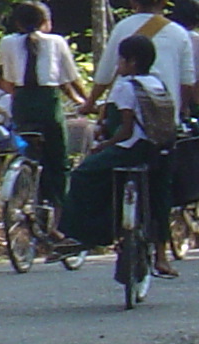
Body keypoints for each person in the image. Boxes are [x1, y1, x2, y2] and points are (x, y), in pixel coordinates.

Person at [59, 31, 177, 256]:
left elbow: (126, 131)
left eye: (121, 60)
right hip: (159, 150)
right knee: (160, 196)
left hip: (132, 150)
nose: (118, 65)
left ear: (131, 62)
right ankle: (162, 256)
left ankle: (84, 234)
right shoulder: (157, 83)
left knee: (83, 174)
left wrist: (103, 146)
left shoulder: (125, 86)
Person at [0, 0, 82, 208]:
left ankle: (24, 193)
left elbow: (8, 77)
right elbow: (71, 78)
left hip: (22, 103)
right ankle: (59, 212)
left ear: (18, 24)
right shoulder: (56, 42)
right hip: (48, 103)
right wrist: (86, 100)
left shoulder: (7, 42)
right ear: (46, 22)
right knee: (59, 161)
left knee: (28, 152)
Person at [91, 0, 197, 130]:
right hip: (164, 120)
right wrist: (180, 112)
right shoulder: (179, 33)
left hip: (125, 119)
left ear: (132, 2)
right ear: (164, 1)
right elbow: (187, 82)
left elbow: (104, 76)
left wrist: (89, 103)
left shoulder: (123, 27)